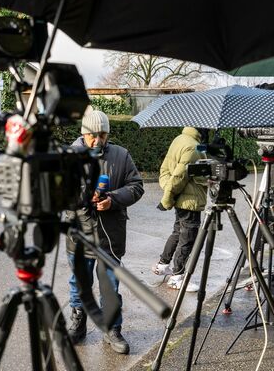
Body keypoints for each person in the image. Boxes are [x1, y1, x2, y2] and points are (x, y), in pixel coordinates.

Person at [65, 109, 144, 354]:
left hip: (111, 236)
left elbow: (137, 186)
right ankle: (78, 323)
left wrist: (113, 199)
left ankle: (112, 328)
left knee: (110, 285)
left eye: (103, 135)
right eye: (93, 135)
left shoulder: (121, 155)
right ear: (83, 133)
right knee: (79, 283)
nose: (98, 140)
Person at [152, 127, 207, 292]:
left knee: (178, 232)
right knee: (187, 237)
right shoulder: (192, 147)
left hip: (182, 199)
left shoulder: (180, 139)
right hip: (190, 200)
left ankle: (162, 265)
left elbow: (166, 170)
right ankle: (177, 277)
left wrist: (168, 189)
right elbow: (179, 176)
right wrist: (167, 198)